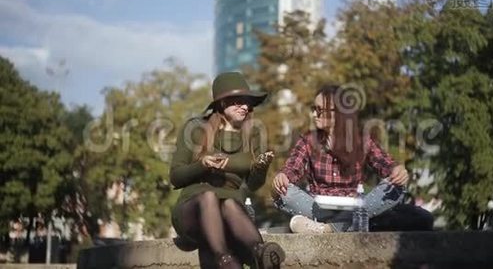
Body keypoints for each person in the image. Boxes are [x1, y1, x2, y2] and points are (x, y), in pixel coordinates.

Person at [272, 85, 433, 233]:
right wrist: (283, 176)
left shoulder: (360, 139)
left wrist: (396, 170)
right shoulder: (308, 140)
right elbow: (293, 167)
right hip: (319, 207)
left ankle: (328, 229)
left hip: (356, 204)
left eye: (319, 110)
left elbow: (383, 162)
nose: (314, 114)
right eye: (314, 109)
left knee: (397, 187)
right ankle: (350, 225)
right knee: (281, 193)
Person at [170, 72, 285, 269]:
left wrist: (260, 167)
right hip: (193, 211)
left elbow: (254, 184)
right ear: (222, 103)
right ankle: (223, 259)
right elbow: (175, 177)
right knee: (208, 198)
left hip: (231, 213)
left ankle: (260, 252)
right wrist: (202, 164)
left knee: (231, 204)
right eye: (238, 102)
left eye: (247, 102)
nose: (245, 107)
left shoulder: (253, 134)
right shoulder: (196, 128)